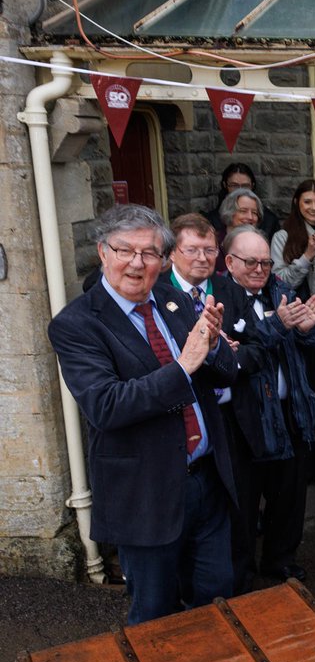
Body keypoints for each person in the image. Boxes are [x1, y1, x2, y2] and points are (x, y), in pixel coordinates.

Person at [47, 204, 238, 624]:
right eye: (124, 250)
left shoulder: (174, 300)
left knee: (216, 602)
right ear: (102, 252)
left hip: (205, 481)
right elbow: (106, 405)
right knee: (155, 617)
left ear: (164, 259)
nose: (137, 263)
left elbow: (224, 373)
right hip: (146, 494)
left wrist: (216, 343)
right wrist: (183, 366)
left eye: (150, 253)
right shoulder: (76, 324)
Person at [221, 226, 315, 589]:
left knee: (290, 495)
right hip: (246, 419)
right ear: (229, 262)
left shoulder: (281, 289)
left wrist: (309, 330)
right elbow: (243, 347)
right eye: (250, 262)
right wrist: (279, 325)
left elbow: (313, 341)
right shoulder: (220, 298)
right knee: (244, 501)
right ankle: (242, 572)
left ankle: (281, 559)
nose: (259, 269)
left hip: (290, 411)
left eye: (265, 261)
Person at [272, 180, 315, 484]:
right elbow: (278, 279)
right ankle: (303, 461)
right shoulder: (283, 236)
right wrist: (307, 255)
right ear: (297, 202)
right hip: (296, 315)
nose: (314, 208)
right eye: (308, 202)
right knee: (300, 387)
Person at [205, 162, 281, 239]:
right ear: (225, 185)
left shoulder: (269, 220)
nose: (240, 190)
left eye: (245, 186)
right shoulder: (211, 220)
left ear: (252, 186)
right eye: (234, 185)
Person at [214, 187, 263, 275]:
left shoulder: (261, 243)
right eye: (243, 211)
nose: (250, 217)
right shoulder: (214, 243)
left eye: (254, 213)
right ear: (229, 212)